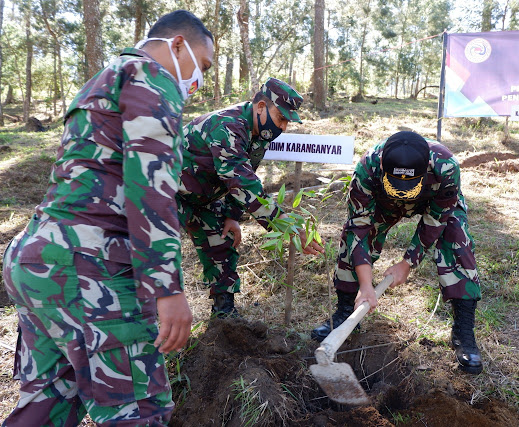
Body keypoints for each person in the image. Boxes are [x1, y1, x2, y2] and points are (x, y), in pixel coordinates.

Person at [1, 10, 213, 426]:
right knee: (139, 409)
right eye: (201, 66)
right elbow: (150, 190)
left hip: (37, 260)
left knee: (50, 403)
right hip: (88, 269)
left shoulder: (107, 77)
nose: (198, 81)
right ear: (176, 46)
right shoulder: (152, 80)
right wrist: (166, 290)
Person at [310, 131, 484, 375]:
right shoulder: (368, 167)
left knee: (456, 237)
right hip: (382, 201)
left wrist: (408, 262)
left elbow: (437, 218)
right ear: (382, 166)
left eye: (408, 184)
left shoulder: (446, 167)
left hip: (431, 199)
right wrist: (366, 285)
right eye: (398, 183)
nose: (403, 191)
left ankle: (464, 333)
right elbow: (359, 226)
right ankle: (345, 313)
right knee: (352, 236)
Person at [178, 77, 323, 317]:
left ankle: (224, 317)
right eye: (281, 119)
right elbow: (241, 181)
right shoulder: (227, 125)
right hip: (168, 193)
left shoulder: (259, 134)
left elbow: (244, 177)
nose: (284, 128)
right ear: (261, 107)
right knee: (159, 254)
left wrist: (232, 216)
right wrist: (287, 226)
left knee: (223, 246)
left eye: (287, 122)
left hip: (206, 197)